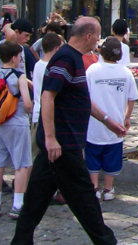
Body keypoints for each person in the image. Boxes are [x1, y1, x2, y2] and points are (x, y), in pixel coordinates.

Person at [11, 17, 128, 245]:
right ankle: (107, 242)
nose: (98, 40)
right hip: (63, 146)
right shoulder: (66, 58)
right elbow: (47, 97)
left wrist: (107, 121)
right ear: (88, 36)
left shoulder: (75, 59)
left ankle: (20, 242)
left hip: (59, 147)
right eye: (97, 35)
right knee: (85, 200)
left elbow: (82, 99)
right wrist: (51, 138)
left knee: (35, 200)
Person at [86, 37, 138, 201]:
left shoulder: (92, 70)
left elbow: (85, 96)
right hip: (117, 123)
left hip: (94, 122)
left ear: (102, 51)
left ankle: (93, 187)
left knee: (92, 156)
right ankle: (108, 188)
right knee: (112, 157)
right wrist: (127, 117)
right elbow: (132, 97)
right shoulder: (125, 72)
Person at [0, 41, 34, 219]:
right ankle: (17, 204)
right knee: (21, 164)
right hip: (18, 122)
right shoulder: (19, 76)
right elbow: (27, 104)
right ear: (14, 57)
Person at [31, 34, 64, 158]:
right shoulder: (55, 67)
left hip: (37, 114)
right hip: (48, 115)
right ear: (56, 48)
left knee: (35, 155)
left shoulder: (37, 65)